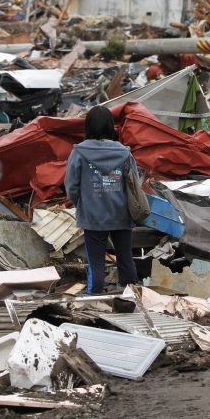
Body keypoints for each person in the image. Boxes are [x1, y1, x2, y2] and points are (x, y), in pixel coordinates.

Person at [65, 106, 139, 294]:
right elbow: (134, 184)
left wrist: (81, 203)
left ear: (88, 126)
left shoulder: (79, 153)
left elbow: (71, 186)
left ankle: (95, 295)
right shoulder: (124, 153)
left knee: (96, 261)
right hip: (121, 213)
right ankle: (131, 294)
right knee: (125, 256)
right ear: (110, 126)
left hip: (93, 216)